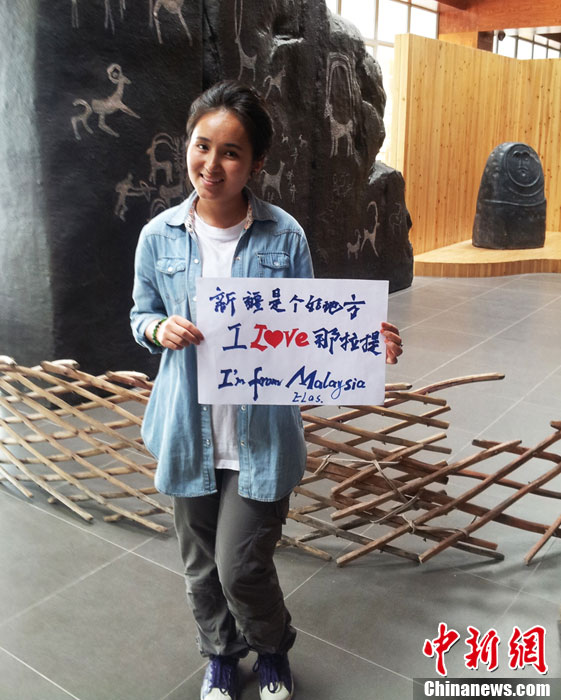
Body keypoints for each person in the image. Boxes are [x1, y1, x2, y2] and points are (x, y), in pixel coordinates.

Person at [130, 80, 403, 700]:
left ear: (256, 162)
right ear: (187, 146)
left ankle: (272, 646)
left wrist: (362, 338)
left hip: (261, 434)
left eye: (231, 152)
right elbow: (139, 314)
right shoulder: (159, 237)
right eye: (203, 146)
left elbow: (305, 328)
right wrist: (156, 326)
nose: (212, 165)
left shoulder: (285, 237)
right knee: (202, 569)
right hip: (186, 428)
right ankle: (221, 654)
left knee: (239, 565)